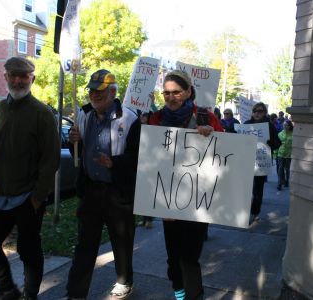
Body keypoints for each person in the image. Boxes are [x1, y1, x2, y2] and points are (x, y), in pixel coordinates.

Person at [0, 56, 61, 300]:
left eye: (23, 76)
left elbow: (51, 160)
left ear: (31, 79)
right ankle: (7, 289)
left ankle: (30, 295)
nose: (18, 80)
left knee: (29, 251)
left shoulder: (42, 113)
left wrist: (37, 198)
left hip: (27, 196)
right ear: (5, 77)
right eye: (13, 75)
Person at [65, 69, 141, 299]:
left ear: (113, 92)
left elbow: (138, 157)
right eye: (91, 90)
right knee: (85, 245)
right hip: (90, 191)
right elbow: (77, 152)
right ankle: (75, 293)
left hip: (118, 192)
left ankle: (124, 280)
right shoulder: (84, 115)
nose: (94, 95)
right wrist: (72, 142)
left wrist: (114, 163)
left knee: (122, 240)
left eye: (99, 91)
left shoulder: (129, 118)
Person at [148, 70, 223, 300]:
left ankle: (193, 297)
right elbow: (147, 160)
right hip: (167, 201)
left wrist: (211, 135)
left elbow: (225, 155)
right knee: (173, 259)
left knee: (189, 258)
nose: (171, 97)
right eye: (166, 93)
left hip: (197, 202)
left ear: (189, 92)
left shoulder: (205, 117)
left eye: (176, 92)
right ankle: (180, 294)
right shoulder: (155, 119)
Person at [244, 103, 280, 224]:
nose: (257, 113)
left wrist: (270, 143)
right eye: (255, 111)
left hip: (261, 162)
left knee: (258, 190)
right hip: (246, 161)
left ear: (264, 112)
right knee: (245, 188)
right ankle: (243, 211)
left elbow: (277, 143)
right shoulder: (246, 125)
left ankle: (254, 213)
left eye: (260, 111)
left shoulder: (269, 126)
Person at [277, 120, 294, 190]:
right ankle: (280, 183)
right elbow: (277, 144)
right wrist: (275, 153)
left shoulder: (293, 134)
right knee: (280, 169)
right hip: (281, 153)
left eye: (286, 125)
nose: (285, 126)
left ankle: (287, 180)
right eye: (284, 125)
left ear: (289, 126)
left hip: (289, 154)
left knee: (287, 169)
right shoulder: (280, 134)